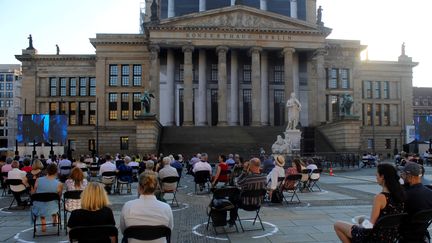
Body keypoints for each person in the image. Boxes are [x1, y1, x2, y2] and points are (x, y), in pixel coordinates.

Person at [334, 163, 405, 243]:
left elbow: (370, 225)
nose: (376, 177)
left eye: (377, 175)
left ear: (382, 177)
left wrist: (361, 224)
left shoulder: (380, 198)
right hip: (391, 236)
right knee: (362, 220)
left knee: (337, 225)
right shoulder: (401, 194)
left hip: (375, 237)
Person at [120, 173, 173, 243]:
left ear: (139, 187)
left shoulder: (128, 206)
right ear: (156, 187)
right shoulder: (166, 207)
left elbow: (123, 231)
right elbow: (169, 229)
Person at [227, 157, 266, 226]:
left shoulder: (248, 178)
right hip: (257, 204)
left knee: (232, 197)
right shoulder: (264, 178)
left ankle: (232, 220)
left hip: (245, 204)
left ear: (251, 166)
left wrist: (244, 171)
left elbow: (237, 182)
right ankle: (232, 220)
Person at [399, 162, 432, 242]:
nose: (401, 177)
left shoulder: (405, 195)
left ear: (409, 176)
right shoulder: (430, 192)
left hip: (405, 234)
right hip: (422, 232)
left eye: (403, 174)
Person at [31, 163, 63, 232]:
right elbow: (59, 197)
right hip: (53, 208)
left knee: (41, 202)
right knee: (55, 200)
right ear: (56, 172)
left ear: (47, 171)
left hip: (39, 207)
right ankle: (55, 217)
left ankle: (43, 223)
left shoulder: (38, 180)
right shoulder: (59, 184)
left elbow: (33, 194)